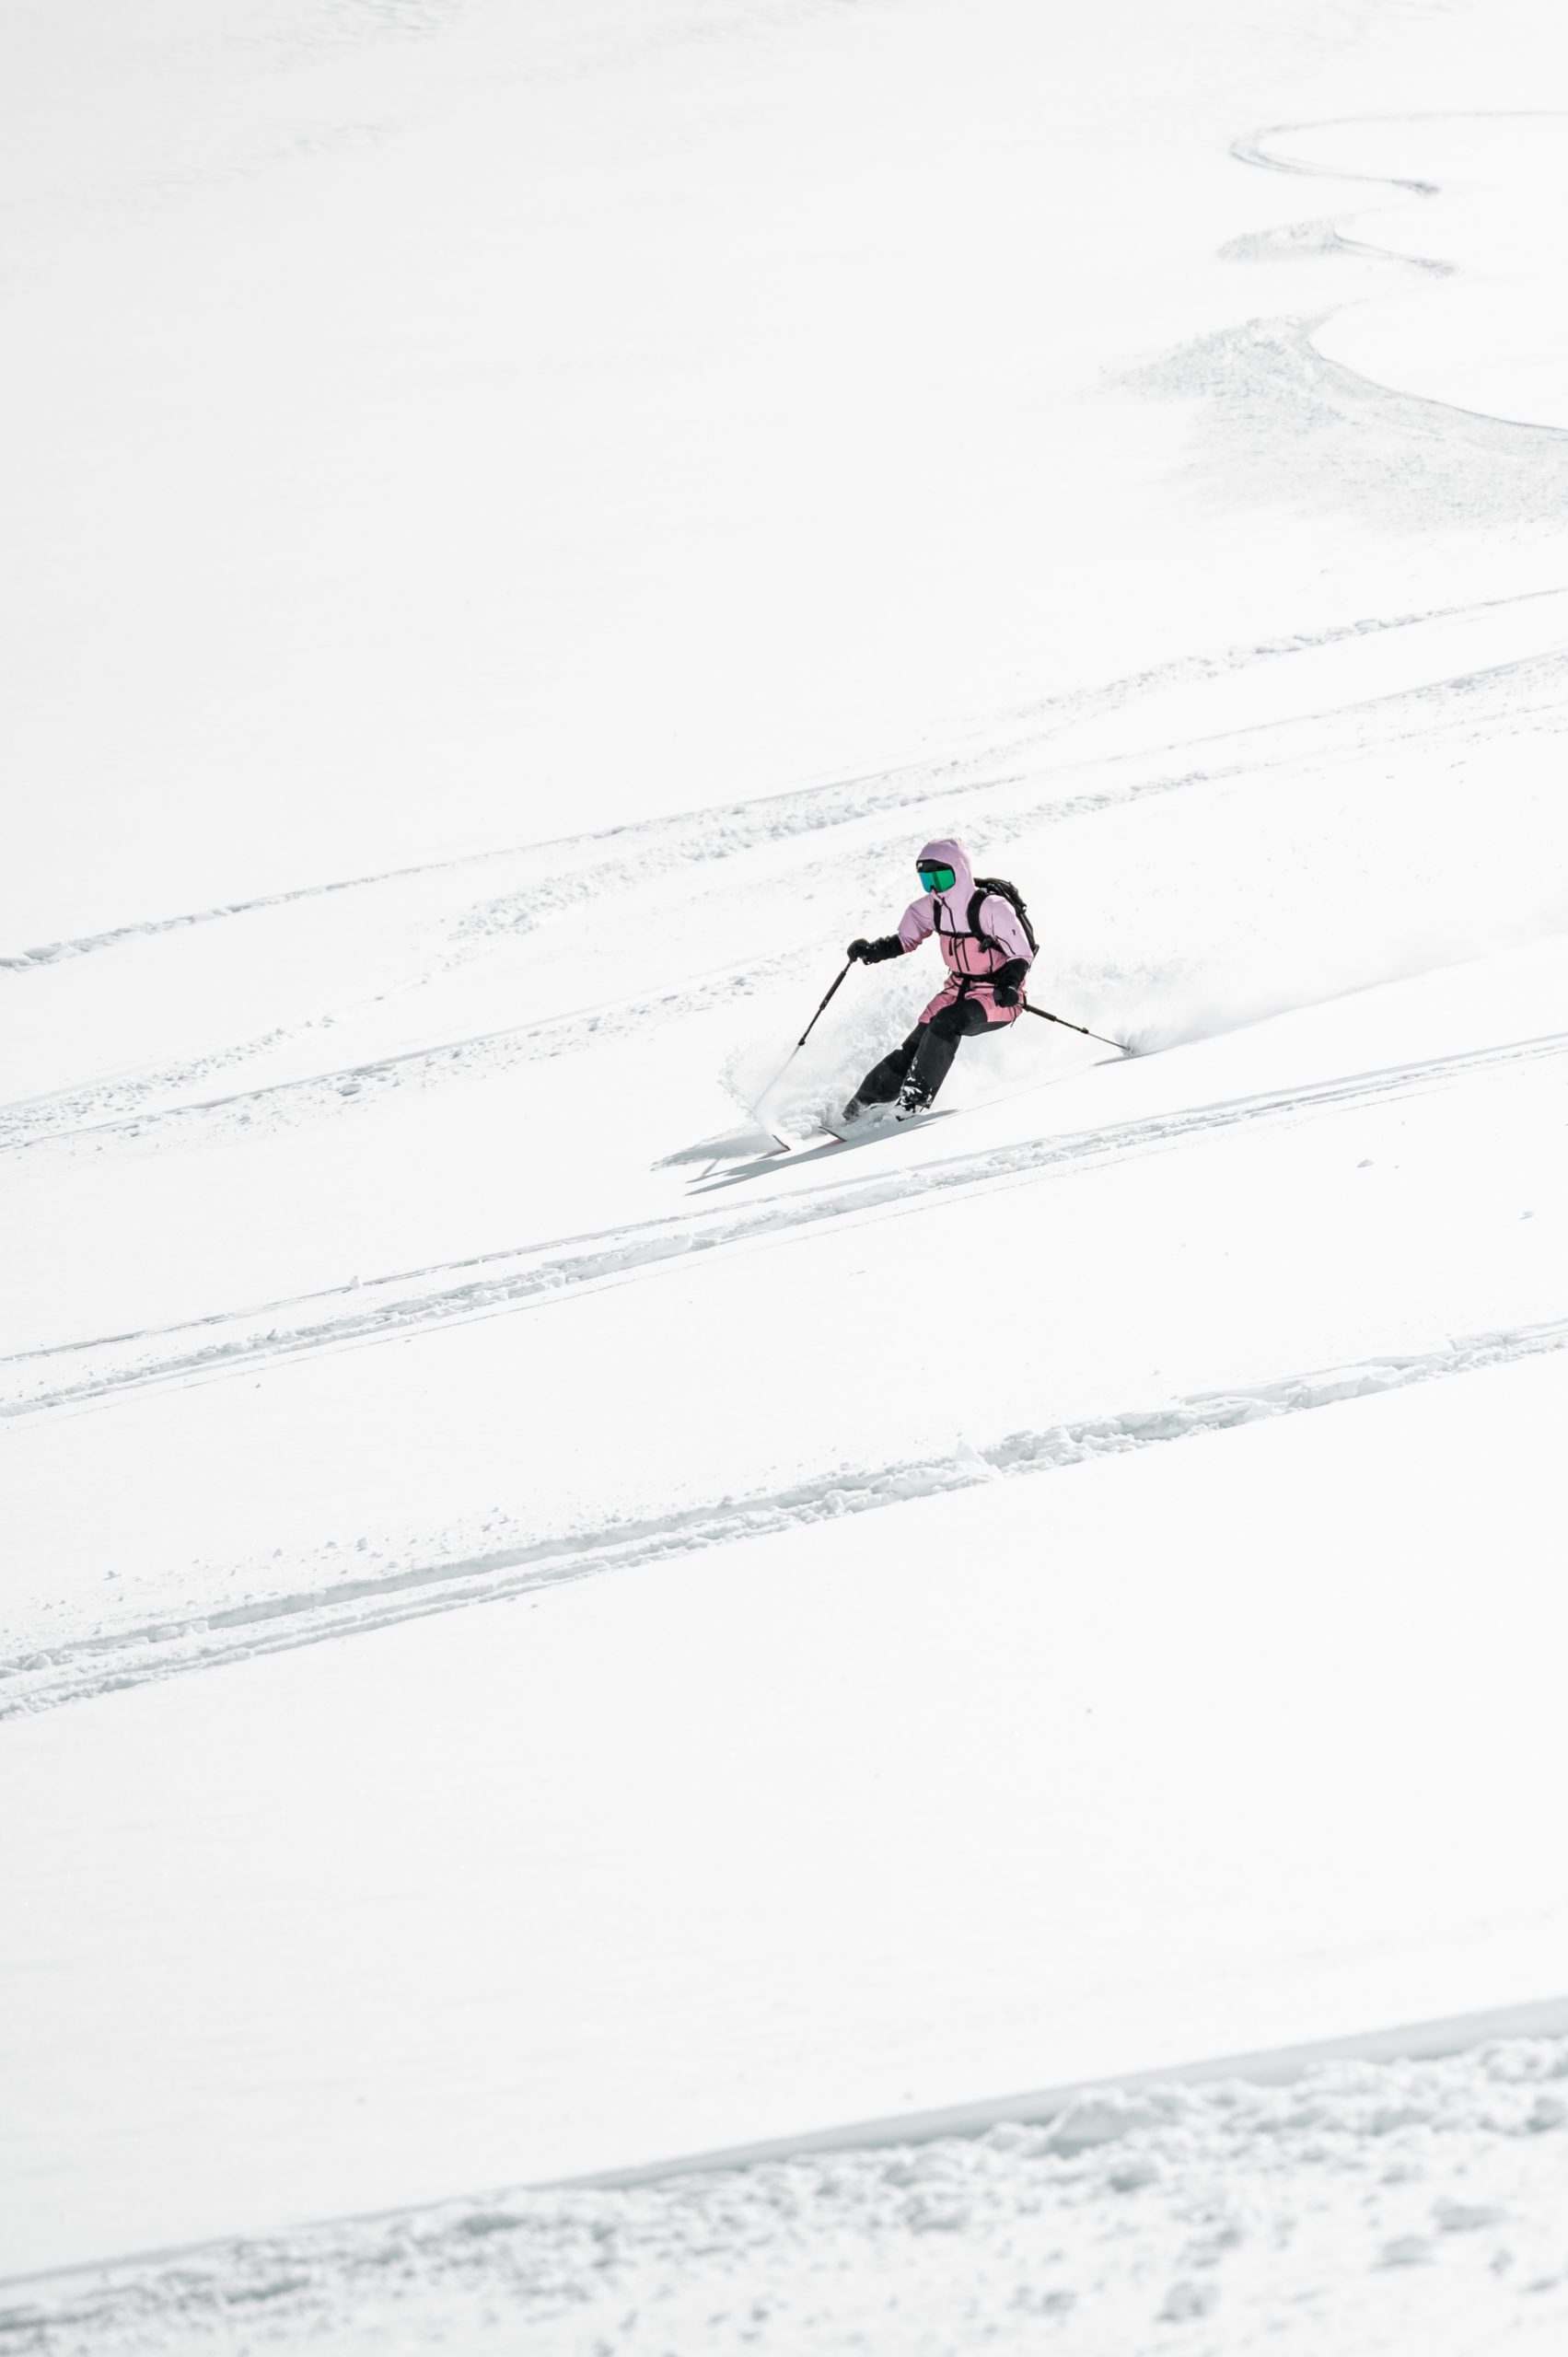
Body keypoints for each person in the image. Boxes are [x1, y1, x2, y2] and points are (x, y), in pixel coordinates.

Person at [842, 836, 1033, 1120]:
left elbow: (1022, 954)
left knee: (946, 1023)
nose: (934, 888)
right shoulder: (929, 908)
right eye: (926, 880)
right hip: (956, 990)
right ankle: (859, 1109)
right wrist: (873, 950)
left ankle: (911, 1105)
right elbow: (905, 940)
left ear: (960, 872)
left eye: (941, 878)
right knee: (913, 1048)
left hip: (998, 996)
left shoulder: (991, 908)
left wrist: (1010, 984)